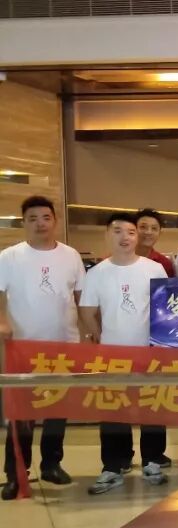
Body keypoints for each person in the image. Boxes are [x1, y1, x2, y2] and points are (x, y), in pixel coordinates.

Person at [1, 196, 85, 500]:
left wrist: (89, 334)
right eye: (33, 218)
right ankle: (16, 473)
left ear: (55, 221)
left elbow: (81, 298)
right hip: (22, 346)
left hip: (64, 343)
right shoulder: (9, 257)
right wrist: (2, 322)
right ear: (24, 222)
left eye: (46, 217)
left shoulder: (71, 255)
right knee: (20, 412)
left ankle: (52, 464)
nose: (40, 223)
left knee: (57, 409)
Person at [78, 212, 169, 495]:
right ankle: (113, 466)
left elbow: (167, 309)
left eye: (130, 232)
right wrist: (99, 336)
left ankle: (152, 461)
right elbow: (87, 311)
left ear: (137, 236)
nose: (125, 237)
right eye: (117, 231)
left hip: (149, 352)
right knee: (113, 410)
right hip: (112, 355)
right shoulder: (97, 273)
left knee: (152, 407)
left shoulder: (154, 269)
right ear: (107, 235)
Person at [135, 208, 176, 277]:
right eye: (143, 227)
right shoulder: (120, 259)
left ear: (160, 233)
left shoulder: (165, 264)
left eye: (154, 228)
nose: (148, 232)